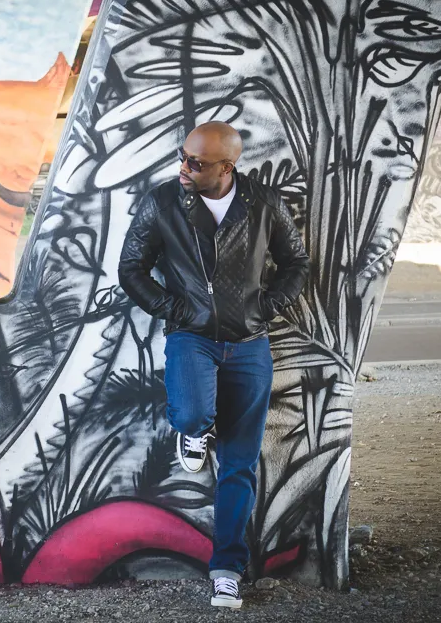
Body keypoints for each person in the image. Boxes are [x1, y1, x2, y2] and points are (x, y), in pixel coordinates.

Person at [118, 121, 309, 609]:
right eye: (183, 156)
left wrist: (267, 307)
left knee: (239, 465)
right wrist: (173, 309)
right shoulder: (164, 202)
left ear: (228, 167)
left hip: (250, 344)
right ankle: (195, 429)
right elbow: (131, 268)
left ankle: (226, 569)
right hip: (192, 337)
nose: (184, 167)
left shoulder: (264, 203)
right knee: (189, 414)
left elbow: (297, 263)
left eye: (197, 163)